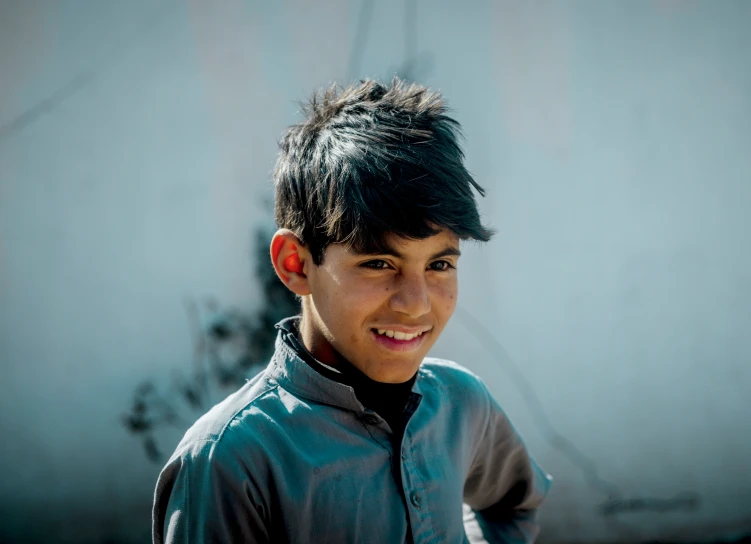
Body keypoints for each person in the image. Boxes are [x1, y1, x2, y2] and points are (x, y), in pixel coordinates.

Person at [152, 78, 552, 543]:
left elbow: (513, 504)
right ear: (296, 264)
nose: (416, 303)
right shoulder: (230, 461)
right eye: (378, 263)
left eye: (439, 264)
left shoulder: (462, 404)